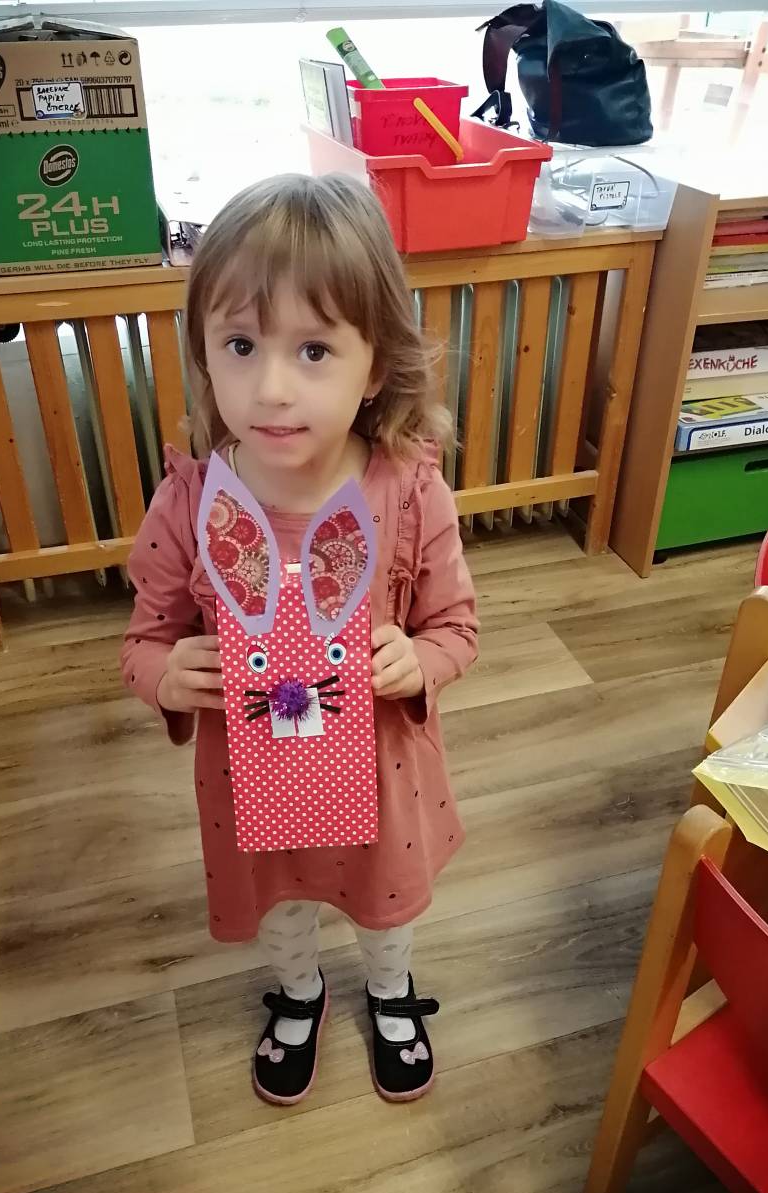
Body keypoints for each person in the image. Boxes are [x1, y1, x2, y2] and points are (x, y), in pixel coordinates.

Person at [122, 173, 478, 1106]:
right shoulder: (191, 502)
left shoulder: (410, 492)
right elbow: (143, 641)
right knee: (280, 904)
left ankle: (391, 993)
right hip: (251, 782)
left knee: (384, 904)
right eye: (241, 345)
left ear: (377, 365)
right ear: (205, 353)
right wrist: (165, 675)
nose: (271, 389)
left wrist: (421, 660)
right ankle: (300, 993)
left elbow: (457, 626)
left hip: (381, 774)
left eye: (314, 349)